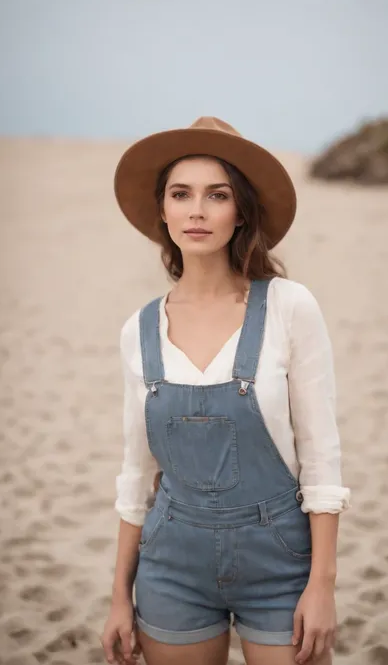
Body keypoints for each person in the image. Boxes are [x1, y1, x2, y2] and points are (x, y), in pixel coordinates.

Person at [101, 117, 351, 665]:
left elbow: (321, 461)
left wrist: (323, 584)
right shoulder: (139, 330)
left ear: (240, 212)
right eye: (180, 194)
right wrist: (120, 596)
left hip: (282, 564)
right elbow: (135, 475)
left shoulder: (289, 307)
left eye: (217, 195)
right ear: (161, 211)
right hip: (171, 565)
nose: (197, 210)